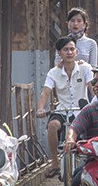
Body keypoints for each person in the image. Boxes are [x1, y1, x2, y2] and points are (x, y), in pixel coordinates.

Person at [37, 37, 94, 178]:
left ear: (76, 51)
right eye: (65, 50)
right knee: (52, 126)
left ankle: (92, 160)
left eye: (71, 49)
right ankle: (55, 162)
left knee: (91, 131)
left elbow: (92, 87)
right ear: (60, 53)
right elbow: (45, 92)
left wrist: (96, 103)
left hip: (81, 110)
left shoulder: (85, 68)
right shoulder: (53, 72)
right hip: (62, 110)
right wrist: (40, 108)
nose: (69, 52)